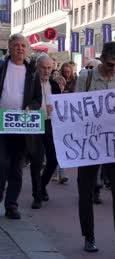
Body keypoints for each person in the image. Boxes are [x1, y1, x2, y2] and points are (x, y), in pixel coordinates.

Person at [49, 41, 115, 254]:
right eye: (110, 64)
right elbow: (74, 107)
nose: (114, 69)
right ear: (101, 58)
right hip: (88, 146)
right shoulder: (85, 78)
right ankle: (89, 237)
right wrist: (58, 110)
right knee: (86, 191)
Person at [0, 33, 41, 219]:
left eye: (23, 46)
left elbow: (37, 100)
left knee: (16, 167)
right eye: (16, 45)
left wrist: (30, 107)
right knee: (1, 165)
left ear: (27, 49)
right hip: (1, 125)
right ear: (9, 47)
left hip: (21, 126)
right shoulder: (1, 67)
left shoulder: (32, 72)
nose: (20, 48)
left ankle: (11, 205)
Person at [28, 55, 61, 209]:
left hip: (49, 124)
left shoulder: (54, 85)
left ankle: (42, 185)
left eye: (49, 68)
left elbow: (61, 106)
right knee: (36, 160)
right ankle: (37, 196)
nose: (46, 71)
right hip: (35, 124)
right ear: (37, 67)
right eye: (43, 67)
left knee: (54, 158)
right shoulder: (29, 83)